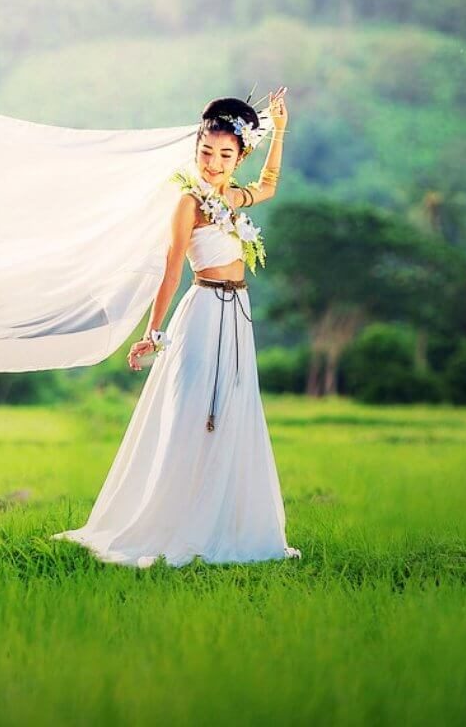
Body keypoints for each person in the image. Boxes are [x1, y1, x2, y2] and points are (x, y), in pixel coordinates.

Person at [51, 88, 302, 568]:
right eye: (206, 152)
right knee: (191, 412)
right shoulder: (189, 203)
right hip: (203, 312)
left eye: (225, 155)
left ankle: (220, 520)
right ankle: (173, 520)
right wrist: (154, 331)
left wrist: (281, 130)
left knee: (231, 412)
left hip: (237, 317)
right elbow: (171, 269)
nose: (213, 162)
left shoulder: (232, 196)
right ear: (197, 150)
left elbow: (269, 185)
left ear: (239, 156)